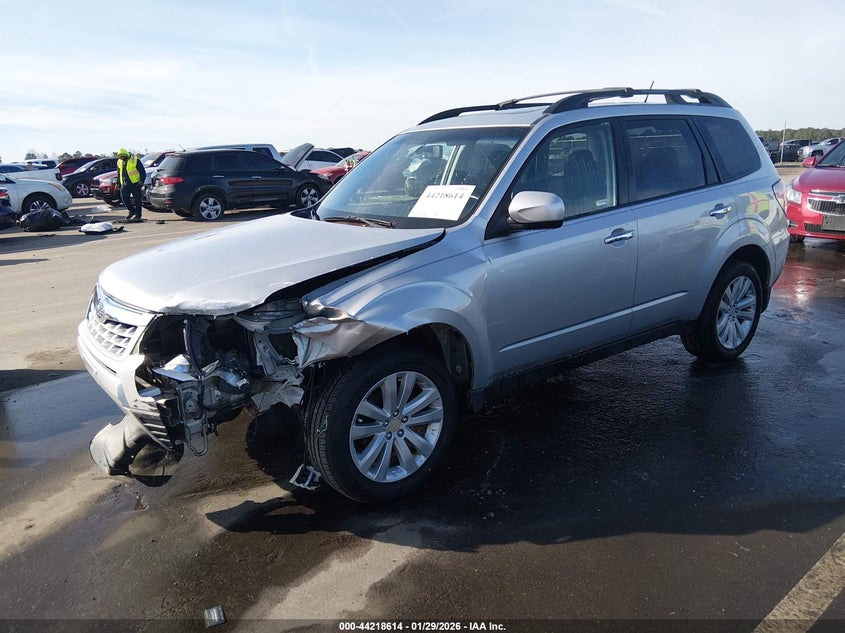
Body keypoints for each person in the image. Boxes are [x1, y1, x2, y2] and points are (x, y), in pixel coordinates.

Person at [117, 148, 146, 221]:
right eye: (120, 157)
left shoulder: (135, 160)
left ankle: (138, 215)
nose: (122, 158)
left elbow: (142, 171)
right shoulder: (119, 162)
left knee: (137, 200)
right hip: (125, 183)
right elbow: (119, 173)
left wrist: (141, 181)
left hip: (135, 183)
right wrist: (118, 183)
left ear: (126, 155)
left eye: (123, 157)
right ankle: (131, 210)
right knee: (124, 197)